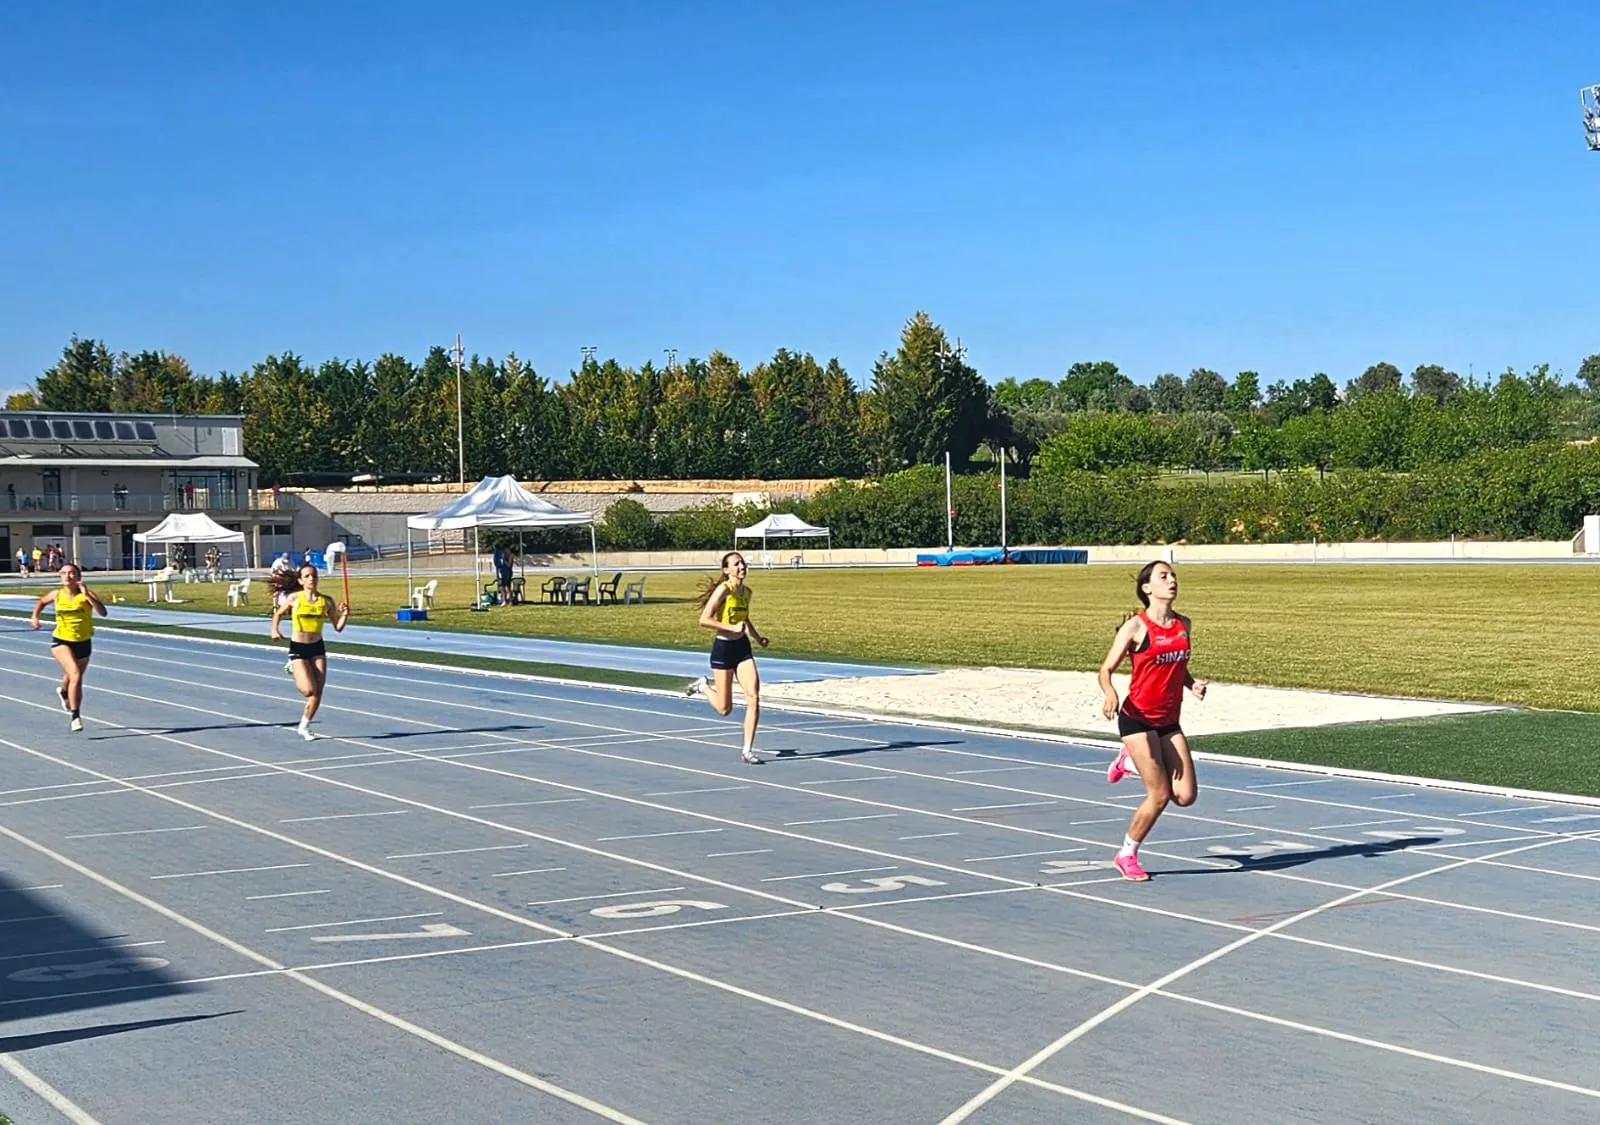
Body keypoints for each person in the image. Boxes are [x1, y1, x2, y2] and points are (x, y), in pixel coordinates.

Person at [1098, 559, 1209, 882]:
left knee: (1186, 796)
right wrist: (1110, 694)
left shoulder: (1183, 624)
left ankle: (1129, 762)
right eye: (1164, 576)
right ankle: (1127, 853)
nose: (1171, 580)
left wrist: (1192, 684)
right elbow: (1105, 670)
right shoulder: (1136, 627)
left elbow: (1176, 664)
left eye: (1173, 575)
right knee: (1159, 795)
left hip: (1168, 720)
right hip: (1137, 719)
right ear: (1148, 588)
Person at [684, 551, 771, 764]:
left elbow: (745, 617)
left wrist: (758, 638)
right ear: (727, 570)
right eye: (736, 564)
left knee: (754, 696)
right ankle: (703, 686)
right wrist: (730, 627)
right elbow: (704, 619)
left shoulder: (746, 592)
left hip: (742, 648)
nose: (741, 566)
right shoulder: (724, 589)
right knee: (724, 709)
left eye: (742, 563)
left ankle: (747, 750)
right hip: (723, 649)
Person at [269, 562, 349, 740]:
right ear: (301, 580)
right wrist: (275, 630)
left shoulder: (326, 601)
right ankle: (293, 666)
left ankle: (304, 726)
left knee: (318, 692)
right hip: (298, 647)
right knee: (308, 691)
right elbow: (278, 614)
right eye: (307, 576)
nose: (311, 578)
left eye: (314, 575)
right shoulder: (295, 599)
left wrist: (345, 615)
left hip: (317, 647)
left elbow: (338, 627)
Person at [31, 563, 108, 733]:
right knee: (75, 675)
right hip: (61, 640)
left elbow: (103, 612)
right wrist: (35, 617)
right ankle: (75, 716)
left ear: (78, 577)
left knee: (71, 676)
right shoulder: (57, 594)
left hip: (83, 642)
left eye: (72, 573)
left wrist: (88, 595)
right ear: (60, 576)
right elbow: (41, 602)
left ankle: (64, 692)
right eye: (64, 573)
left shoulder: (85, 595)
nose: (68, 576)